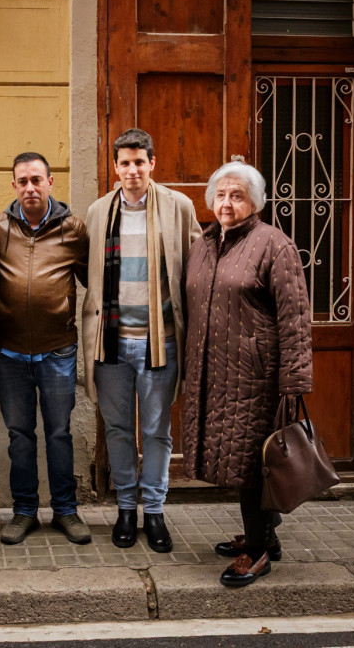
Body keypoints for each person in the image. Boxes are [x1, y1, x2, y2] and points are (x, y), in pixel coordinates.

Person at [181, 161, 313, 587]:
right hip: (214, 374)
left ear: (254, 202)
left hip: (256, 377)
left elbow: (295, 318)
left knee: (252, 464)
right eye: (220, 194)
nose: (227, 203)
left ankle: (256, 553)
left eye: (237, 195)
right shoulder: (204, 244)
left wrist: (293, 382)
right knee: (241, 460)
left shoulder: (274, 245)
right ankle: (265, 536)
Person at [81, 129, 202, 553]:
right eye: (124, 163)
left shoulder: (178, 207)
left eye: (139, 162)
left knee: (155, 430)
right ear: (114, 167)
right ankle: (126, 510)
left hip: (160, 342)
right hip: (111, 344)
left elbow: (198, 266)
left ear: (153, 163)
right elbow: (87, 270)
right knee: (116, 429)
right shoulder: (98, 212)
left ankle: (154, 511)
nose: (132, 170)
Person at [0, 152, 90, 545]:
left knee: (59, 432)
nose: (30, 187)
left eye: (37, 179)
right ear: (14, 186)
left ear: (50, 182)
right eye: (22, 181)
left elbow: (95, 280)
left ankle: (66, 511)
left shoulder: (74, 230)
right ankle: (24, 511)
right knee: (19, 434)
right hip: (9, 353)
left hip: (57, 350)